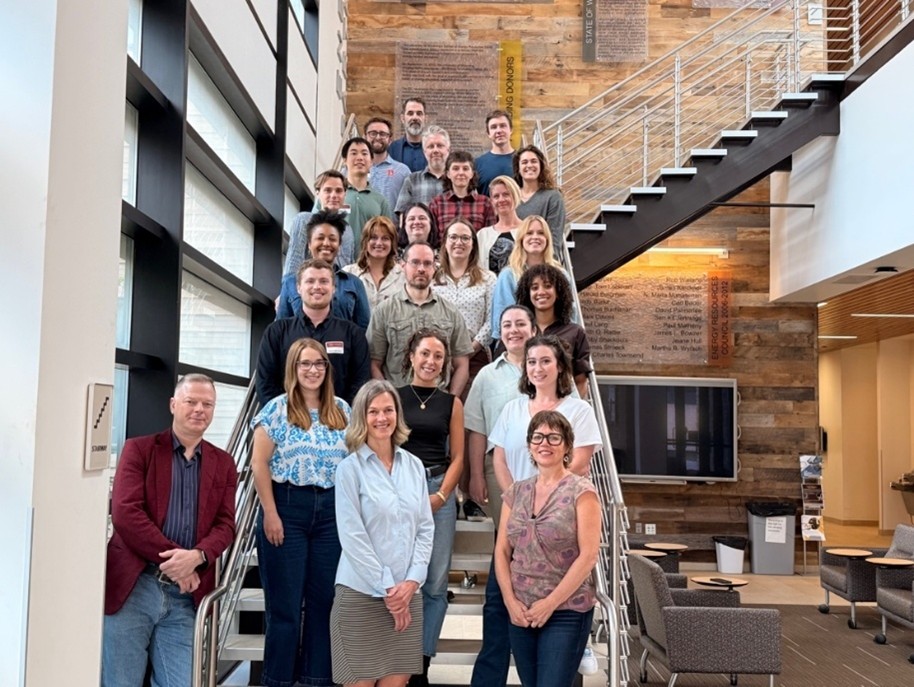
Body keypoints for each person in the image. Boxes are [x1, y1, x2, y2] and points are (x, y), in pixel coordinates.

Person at [101, 374, 237, 687]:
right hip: (134, 587)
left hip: (185, 597)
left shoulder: (224, 463)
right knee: (120, 682)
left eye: (207, 404)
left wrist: (199, 556)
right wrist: (179, 565)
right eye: (191, 401)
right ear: (174, 405)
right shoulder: (139, 450)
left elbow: (226, 524)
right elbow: (126, 514)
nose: (199, 409)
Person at [251, 339, 351, 687]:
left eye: (319, 364)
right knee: (286, 609)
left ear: (327, 369)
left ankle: (315, 679)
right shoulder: (276, 410)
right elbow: (259, 464)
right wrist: (270, 513)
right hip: (287, 508)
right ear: (293, 369)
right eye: (305, 364)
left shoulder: (342, 411)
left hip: (330, 514)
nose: (313, 370)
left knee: (324, 605)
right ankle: (277, 680)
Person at [331, 380, 435, 687]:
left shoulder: (414, 466)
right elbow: (352, 536)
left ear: (397, 414)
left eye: (388, 410)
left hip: (408, 594)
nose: (381, 418)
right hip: (362, 594)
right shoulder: (349, 469)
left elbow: (426, 528)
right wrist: (390, 589)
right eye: (373, 411)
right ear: (362, 418)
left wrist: (413, 580)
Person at [494, 411, 600, 687]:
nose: (545, 443)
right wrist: (509, 601)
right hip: (520, 610)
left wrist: (549, 604)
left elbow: (589, 556)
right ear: (529, 445)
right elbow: (502, 551)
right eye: (538, 437)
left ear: (567, 445)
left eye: (554, 437)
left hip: (565, 610)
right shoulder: (516, 492)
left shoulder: (582, 492)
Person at [396, 330, 465, 687]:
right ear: (411, 356)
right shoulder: (393, 397)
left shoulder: (451, 402)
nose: (430, 362)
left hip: (438, 491)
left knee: (435, 583)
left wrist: (441, 496)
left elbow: (459, 457)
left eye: (438, 357)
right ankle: (398, 660)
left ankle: (421, 663)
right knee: (400, 577)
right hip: (398, 491)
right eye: (424, 354)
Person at [432, 218, 496, 521]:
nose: (459, 243)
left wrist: (471, 345)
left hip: (474, 359)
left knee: (469, 427)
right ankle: (443, 491)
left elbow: (491, 320)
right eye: (454, 237)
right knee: (438, 424)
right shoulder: (434, 277)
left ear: (474, 244)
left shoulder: (487, 279)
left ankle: (469, 497)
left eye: (466, 238)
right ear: (445, 242)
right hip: (435, 361)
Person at [258, 258, 371, 406]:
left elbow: (360, 384)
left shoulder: (353, 334)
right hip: (287, 422)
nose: (317, 287)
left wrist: (340, 417)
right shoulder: (276, 333)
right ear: (298, 287)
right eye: (310, 281)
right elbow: (265, 383)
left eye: (324, 281)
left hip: (339, 423)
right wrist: (286, 417)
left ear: (334, 288)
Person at [367, 242, 474, 394]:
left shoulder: (451, 312)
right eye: (415, 262)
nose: (421, 269)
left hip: (438, 400)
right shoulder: (384, 311)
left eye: (427, 263)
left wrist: (450, 402)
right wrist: (388, 398)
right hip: (398, 402)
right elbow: (374, 363)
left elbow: (462, 364)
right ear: (402, 265)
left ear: (435, 268)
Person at [276, 209, 372, 328]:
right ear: (309, 244)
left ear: (339, 245)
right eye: (320, 238)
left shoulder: (354, 284)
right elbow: (281, 327)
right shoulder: (291, 283)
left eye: (332, 239)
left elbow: (364, 329)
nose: (326, 243)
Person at [516, 263, 592, 398]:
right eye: (534, 287)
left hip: (561, 410)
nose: (541, 292)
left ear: (558, 292)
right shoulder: (518, 332)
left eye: (548, 286)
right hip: (523, 407)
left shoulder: (575, 333)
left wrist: (568, 412)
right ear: (528, 294)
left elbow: (580, 381)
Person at [490, 215, 564, 338]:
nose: (535, 237)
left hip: (556, 340)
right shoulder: (508, 275)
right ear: (521, 239)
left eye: (541, 233)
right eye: (529, 233)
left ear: (547, 239)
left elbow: (571, 314)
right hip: (518, 342)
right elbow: (503, 317)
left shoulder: (561, 274)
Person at [281, 170, 354, 285]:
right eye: (328, 190)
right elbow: (294, 262)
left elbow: (348, 267)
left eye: (339, 191)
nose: (333, 195)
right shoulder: (304, 220)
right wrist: (287, 294)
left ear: (345, 194)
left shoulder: (348, 230)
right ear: (318, 193)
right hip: (308, 292)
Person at [316, 137, 391, 247]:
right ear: (345, 160)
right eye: (354, 153)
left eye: (364, 154)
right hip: (335, 260)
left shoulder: (381, 201)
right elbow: (314, 227)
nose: (359, 158)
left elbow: (388, 235)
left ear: (371, 161)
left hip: (369, 261)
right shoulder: (330, 196)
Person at [514, 145, 567, 256]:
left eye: (534, 161)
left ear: (541, 166)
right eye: (524, 162)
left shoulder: (553, 197)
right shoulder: (511, 197)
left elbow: (554, 240)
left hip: (541, 265)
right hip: (514, 263)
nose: (529, 165)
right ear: (518, 168)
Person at [427, 151, 496, 237]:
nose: (461, 173)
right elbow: (432, 238)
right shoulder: (436, 204)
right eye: (456, 168)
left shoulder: (485, 203)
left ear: (472, 174)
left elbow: (490, 238)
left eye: (465, 168)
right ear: (448, 174)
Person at [342, 215, 405, 307]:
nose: (379, 243)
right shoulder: (348, 274)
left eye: (385, 238)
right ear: (365, 241)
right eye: (373, 238)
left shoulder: (403, 276)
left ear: (392, 243)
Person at [395, 125, 450, 216]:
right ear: (424, 152)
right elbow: (403, 217)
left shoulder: (459, 179)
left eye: (440, 146)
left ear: (448, 150)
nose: (435, 150)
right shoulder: (412, 180)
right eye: (431, 146)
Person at [476, 175, 523, 274]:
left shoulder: (528, 230)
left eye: (506, 194)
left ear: (515, 196)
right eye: (496, 196)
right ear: (492, 201)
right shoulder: (483, 235)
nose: (501, 200)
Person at [365, 117, 411, 214]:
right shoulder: (349, 171)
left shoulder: (402, 171)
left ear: (390, 140)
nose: (378, 137)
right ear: (365, 137)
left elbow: (409, 206)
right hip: (359, 228)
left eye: (382, 134)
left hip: (391, 228)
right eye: (373, 133)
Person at [476, 110, 515, 196]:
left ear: (511, 129)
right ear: (488, 133)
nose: (499, 130)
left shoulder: (523, 161)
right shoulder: (478, 164)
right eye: (494, 127)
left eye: (503, 126)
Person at [388, 97, 428, 172]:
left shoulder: (433, 148)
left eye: (419, 113)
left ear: (425, 119)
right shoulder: (392, 149)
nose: (415, 117)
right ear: (403, 119)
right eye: (410, 113)